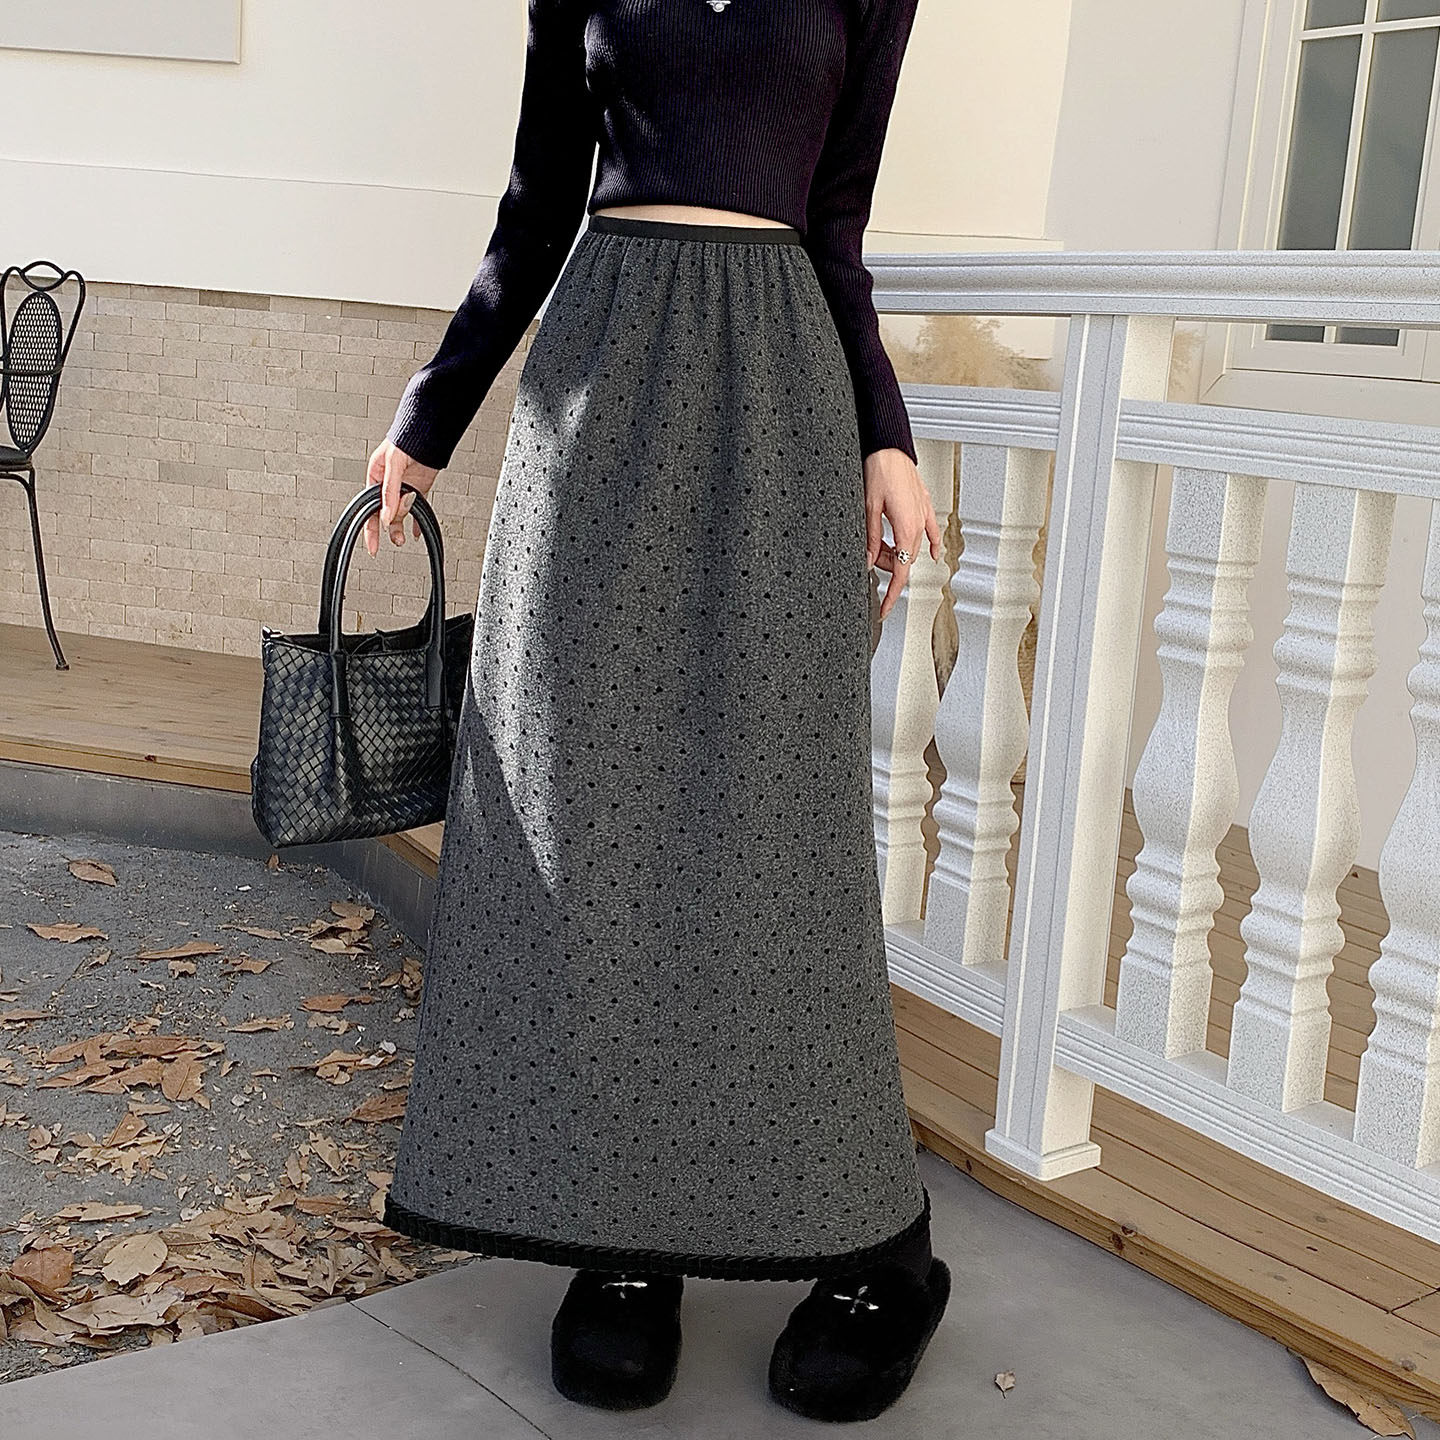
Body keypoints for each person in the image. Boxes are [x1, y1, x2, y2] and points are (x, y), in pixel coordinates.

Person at [362, 0, 949, 1422]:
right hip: (599, 395)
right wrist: (428, 421)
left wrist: (883, 432)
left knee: (780, 846)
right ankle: (626, 1247)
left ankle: (885, 1252)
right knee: (591, 831)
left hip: (779, 405)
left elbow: (839, 223)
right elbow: (531, 209)